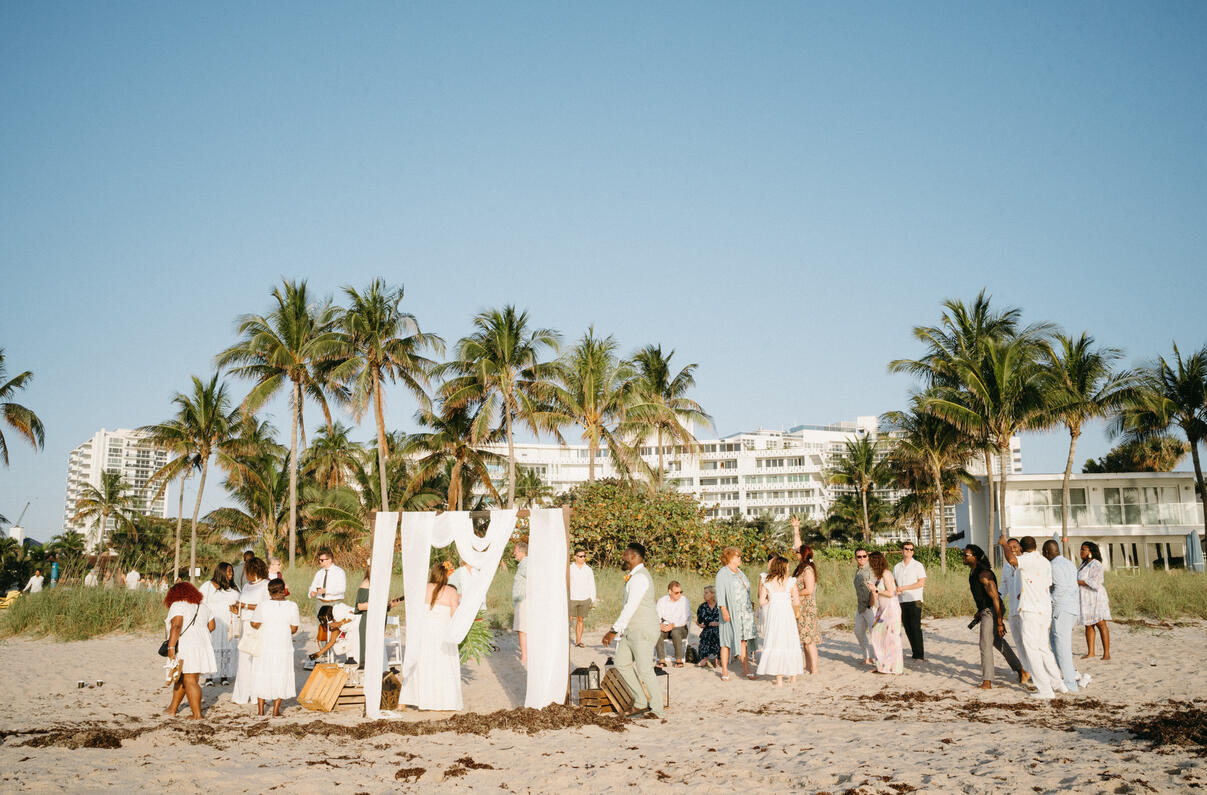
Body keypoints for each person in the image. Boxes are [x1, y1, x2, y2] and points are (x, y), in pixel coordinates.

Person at [1001, 535, 1066, 700]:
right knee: (1043, 647)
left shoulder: (1026, 559)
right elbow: (1047, 585)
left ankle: (1045, 689)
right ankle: (1058, 683)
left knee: (1032, 650)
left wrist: (1003, 544)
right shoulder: (1045, 561)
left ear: (1022, 549)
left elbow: (1012, 560)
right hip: (1044, 609)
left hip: (1031, 610)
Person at [602, 543, 662, 718]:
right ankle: (641, 702)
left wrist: (613, 630)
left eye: (625, 554)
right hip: (631, 629)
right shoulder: (633, 576)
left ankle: (657, 709)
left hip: (643, 629)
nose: (623, 557)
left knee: (644, 669)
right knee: (621, 663)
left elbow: (631, 606)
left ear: (634, 556)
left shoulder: (640, 578)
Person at [400, 562, 463, 711]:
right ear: (447, 576)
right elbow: (454, 615)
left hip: (423, 633)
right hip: (442, 634)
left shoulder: (422, 588)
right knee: (441, 666)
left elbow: (414, 611)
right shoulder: (451, 591)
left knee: (420, 664)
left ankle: (406, 700)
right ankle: (435, 702)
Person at [963, 544, 1026, 689]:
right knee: (997, 641)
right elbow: (983, 596)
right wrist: (979, 611)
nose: (963, 557)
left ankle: (987, 681)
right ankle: (1020, 669)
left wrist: (999, 622)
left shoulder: (984, 574)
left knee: (985, 644)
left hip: (992, 611)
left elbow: (996, 599)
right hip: (986, 610)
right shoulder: (973, 572)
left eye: (966, 555)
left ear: (975, 557)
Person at [163, 581, 217, 719]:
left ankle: (197, 714)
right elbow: (212, 626)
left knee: (190, 679)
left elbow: (176, 626)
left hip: (187, 645)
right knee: (181, 677)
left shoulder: (178, 605)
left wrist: (171, 646)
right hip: (203, 644)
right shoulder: (203, 606)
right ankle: (172, 708)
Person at [1044, 540, 1090, 694]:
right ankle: (1071, 674)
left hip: (1062, 609)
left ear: (1047, 552)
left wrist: (1049, 600)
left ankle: (1070, 683)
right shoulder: (1068, 563)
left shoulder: (1054, 565)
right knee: (1056, 642)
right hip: (1072, 608)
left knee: (1062, 646)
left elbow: (1060, 588)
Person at [249, 578, 300, 717]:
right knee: (281, 674)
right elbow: (294, 628)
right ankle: (276, 711)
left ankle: (260, 711)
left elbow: (254, 623)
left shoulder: (263, 605)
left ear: (269, 592)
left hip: (265, 644)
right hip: (283, 645)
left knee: (262, 674)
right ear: (284, 590)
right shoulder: (292, 606)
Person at [755, 556, 804, 686]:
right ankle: (793, 677)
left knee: (775, 641)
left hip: (774, 615)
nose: (789, 568)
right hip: (787, 614)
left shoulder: (767, 582)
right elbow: (796, 601)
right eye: (787, 566)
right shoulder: (791, 581)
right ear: (783, 567)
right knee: (790, 641)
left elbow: (761, 601)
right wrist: (786, 600)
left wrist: (772, 600)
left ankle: (779, 679)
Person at [230, 557, 270, 706]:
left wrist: (245, 605)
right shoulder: (246, 586)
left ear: (254, 570)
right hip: (244, 623)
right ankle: (242, 695)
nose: (244, 574)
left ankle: (257, 695)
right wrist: (237, 608)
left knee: (258, 659)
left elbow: (266, 606)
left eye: (247, 570)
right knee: (244, 659)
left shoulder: (266, 584)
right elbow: (243, 604)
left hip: (259, 625)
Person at [715, 546, 756, 681]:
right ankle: (724, 670)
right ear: (730, 558)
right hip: (730, 610)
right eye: (737, 556)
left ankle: (746, 669)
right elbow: (720, 592)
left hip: (743, 611)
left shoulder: (740, 572)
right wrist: (723, 609)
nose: (739, 558)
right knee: (726, 640)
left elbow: (745, 590)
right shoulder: (722, 573)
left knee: (743, 640)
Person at [199, 562, 240, 686]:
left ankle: (224, 676)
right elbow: (200, 604)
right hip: (214, 623)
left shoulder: (234, 587)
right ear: (221, 572)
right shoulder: (208, 586)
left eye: (231, 571)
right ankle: (209, 678)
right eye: (228, 571)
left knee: (226, 650)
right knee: (212, 649)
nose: (231, 573)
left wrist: (237, 608)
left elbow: (240, 603)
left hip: (229, 624)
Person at [999, 538, 1031, 677]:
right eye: (1009, 547)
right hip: (1013, 610)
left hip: (1026, 609)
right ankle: (1026, 670)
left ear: (1020, 548)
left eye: (1015, 546)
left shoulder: (1026, 564)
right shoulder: (1006, 567)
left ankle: (1034, 670)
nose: (1012, 549)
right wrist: (995, 599)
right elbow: (1004, 586)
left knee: (1028, 641)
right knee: (1018, 641)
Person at [867, 551, 903, 675]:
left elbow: (891, 593)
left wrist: (876, 589)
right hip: (882, 609)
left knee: (891, 638)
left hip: (891, 609)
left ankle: (893, 667)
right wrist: (874, 590)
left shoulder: (886, 573)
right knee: (878, 635)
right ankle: (883, 665)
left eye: (871, 562)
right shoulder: (880, 576)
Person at [1077, 541, 1112, 661]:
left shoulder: (1096, 564)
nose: (1081, 551)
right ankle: (1091, 652)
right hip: (1085, 598)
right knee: (1088, 625)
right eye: (1081, 549)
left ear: (1090, 551)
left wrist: (1078, 582)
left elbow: (1095, 582)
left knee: (1101, 623)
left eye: (1084, 549)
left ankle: (1106, 653)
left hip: (1095, 597)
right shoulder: (1083, 565)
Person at [893, 542, 927, 661]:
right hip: (901, 601)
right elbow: (894, 582)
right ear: (902, 550)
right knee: (907, 628)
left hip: (914, 600)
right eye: (906, 549)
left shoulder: (918, 565)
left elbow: (921, 583)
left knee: (915, 627)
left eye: (911, 549)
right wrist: (897, 589)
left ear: (913, 552)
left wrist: (904, 588)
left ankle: (920, 655)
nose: (908, 551)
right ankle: (915, 652)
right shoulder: (897, 567)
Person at [793, 543, 821, 675]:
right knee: (804, 639)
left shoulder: (808, 570)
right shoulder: (801, 568)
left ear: (803, 554)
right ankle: (808, 666)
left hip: (807, 608)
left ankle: (814, 668)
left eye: (797, 552)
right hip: (801, 606)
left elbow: (809, 590)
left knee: (809, 640)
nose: (796, 554)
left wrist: (795, 593)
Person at [655, 581, 691, 667]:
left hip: (680, 627)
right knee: (657, 632)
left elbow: (685, 619)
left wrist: (673, 625)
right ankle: (661, 660)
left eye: (681, 592)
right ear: (670, 591)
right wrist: (660, 625)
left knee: (675, 632)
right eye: (676, 592)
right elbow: (657, 616)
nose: (679, 594)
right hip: (665, 625)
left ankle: (679, 660)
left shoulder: (685, 601)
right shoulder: (662, 601)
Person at [568, 549, 596, 648]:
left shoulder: (588, 569)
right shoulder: (570, 568)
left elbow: (591, 583)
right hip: (572, 598)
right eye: (580, 556)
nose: (583, 558)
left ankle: (578, 641)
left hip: (584, 598)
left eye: (584, 556)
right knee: (569, 619)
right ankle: (564, 640)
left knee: (580, 620)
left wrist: (592, 598)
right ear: (575, 557)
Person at [308, 548, 346, 620]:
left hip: (334, 603)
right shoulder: (319, 573)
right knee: (320, 625)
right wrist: (311, 592)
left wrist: (326, 591)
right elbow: (313, 586)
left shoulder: (339, 572)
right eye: (319, 560)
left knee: (333, 625)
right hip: (320, 603)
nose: (320, 562)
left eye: (322, 560)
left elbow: (342, 589)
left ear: (329, 560)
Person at [852, 548, 876, 665]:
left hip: (871, 605)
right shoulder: (858, 570)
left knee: (875, 633)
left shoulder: (871, 570)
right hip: (861, 606)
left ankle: (879, 659)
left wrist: (871, 604)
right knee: (858, 631)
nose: (862, 558)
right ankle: (867, 657)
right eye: (859, 556)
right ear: (855, 558)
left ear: (868, 556)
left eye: (864, 556)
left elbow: (873, 589)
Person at [695, 586, 721, 668]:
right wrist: (700, 624)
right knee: (708, 633)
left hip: (720, 629)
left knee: (715, 632)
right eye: (704, 593)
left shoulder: (720, 606)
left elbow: (727, 620)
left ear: (713, 594)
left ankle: (708, 657)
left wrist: (718, 623)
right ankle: (714, 657)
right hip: (707, 629)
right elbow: (698, 621)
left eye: (706, 593)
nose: (704, 595)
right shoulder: (702, 607)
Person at [512, 542, 529, 665]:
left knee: (522, 628)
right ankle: (525, 654)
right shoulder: (522, 564)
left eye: (516, 551)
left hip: (524, 600)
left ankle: (524, 656)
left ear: (522, 552)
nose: (514, 553)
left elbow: (532, 580)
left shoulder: (525, 564)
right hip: (521, 600)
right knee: (522, 628)